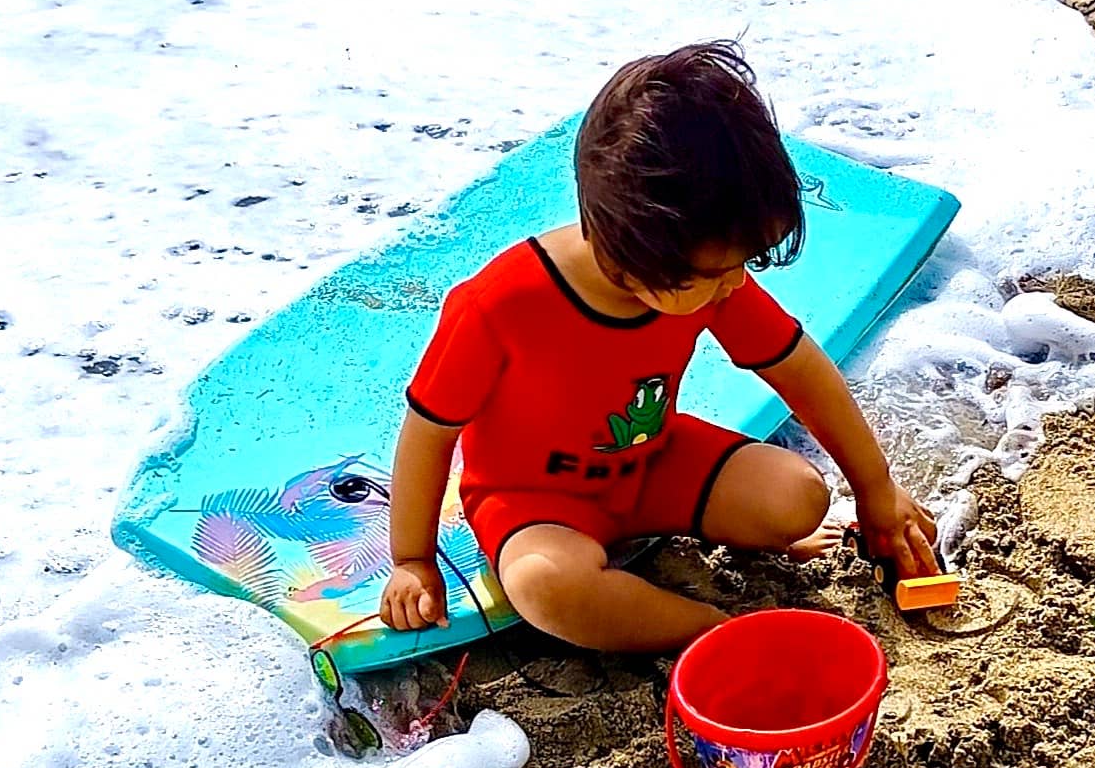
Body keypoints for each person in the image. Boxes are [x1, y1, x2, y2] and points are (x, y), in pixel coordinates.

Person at [380, 41, 940, 652]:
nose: (734, 284)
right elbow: (429, 432)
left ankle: (675, 574)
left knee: (799, 497)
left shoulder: (706, 281)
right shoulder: (497, 306)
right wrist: (413, 558)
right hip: (535, 502)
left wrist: (874, 489)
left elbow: (800, 370)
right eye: (720, 271)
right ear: (630, 259)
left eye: (741, 264)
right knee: (546, 587)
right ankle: (710, 630)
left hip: (652, 465)